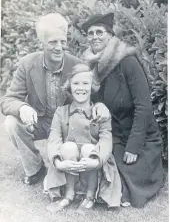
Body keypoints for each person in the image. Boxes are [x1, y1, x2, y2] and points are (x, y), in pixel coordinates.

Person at [1, 13, 109, 186]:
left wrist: (101, 104)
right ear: (41, 43)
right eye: (53, 42)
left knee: (66, 168)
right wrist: (22, 107)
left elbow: (95, 96)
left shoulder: (77, 65)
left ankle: (72, 168)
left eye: (63, 42)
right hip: (40, 122)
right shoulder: (27, 64)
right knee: (11, 123)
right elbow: (8, 99)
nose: (59, 47)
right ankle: (35, 169)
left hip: (66, 125)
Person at [80, 12, 164, 208]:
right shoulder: (93, 66)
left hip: (142, 138)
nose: (95, 37)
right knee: (104, 165)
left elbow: (144, 106)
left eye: (99, 32)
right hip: (116, 135)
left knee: (128, 178)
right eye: (90, 33)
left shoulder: (128, 61)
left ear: (110, 35)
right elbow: (91, 100)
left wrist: (134, 146)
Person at [44, 64, 122, 213]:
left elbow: (106, 141)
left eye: (85, 83)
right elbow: (54, 139)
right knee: (68, 147)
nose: (81, 88)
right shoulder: (61, 112)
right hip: (69, 162)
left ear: (92, 87)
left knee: (88, 148)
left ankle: (90, 195)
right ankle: (69, 193)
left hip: (92, 164)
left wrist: (96, 160)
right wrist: (58, 163)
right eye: (76, 83)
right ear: (69, 86)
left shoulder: (101, 113)